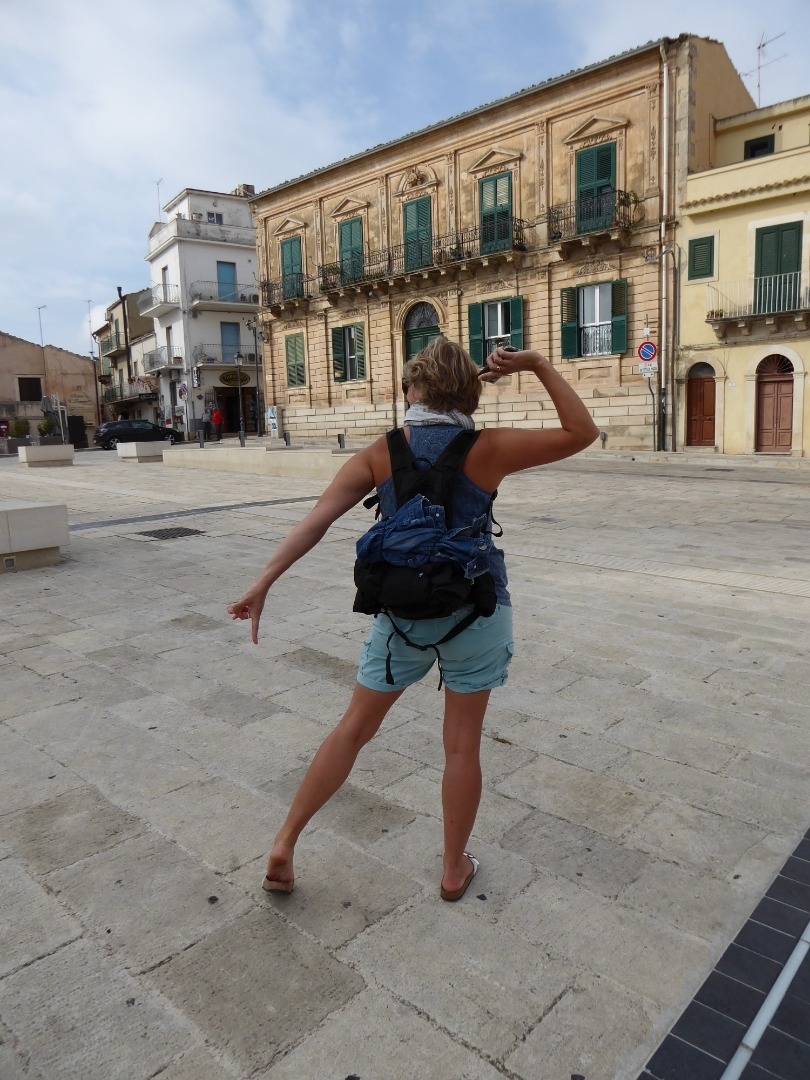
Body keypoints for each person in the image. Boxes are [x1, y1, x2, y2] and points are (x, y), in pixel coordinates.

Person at [228, 339, 598, 901]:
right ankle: (452, 869)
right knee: (461, 746)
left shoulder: (380, 452)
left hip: (401, 616)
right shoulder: (490, 447)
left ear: (411, 391)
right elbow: (581, 432)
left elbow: (317, 519)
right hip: (476, 611)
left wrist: (263, 582)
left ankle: (285, 841)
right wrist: (539, 365)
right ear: (470, 394)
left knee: (352, 730)